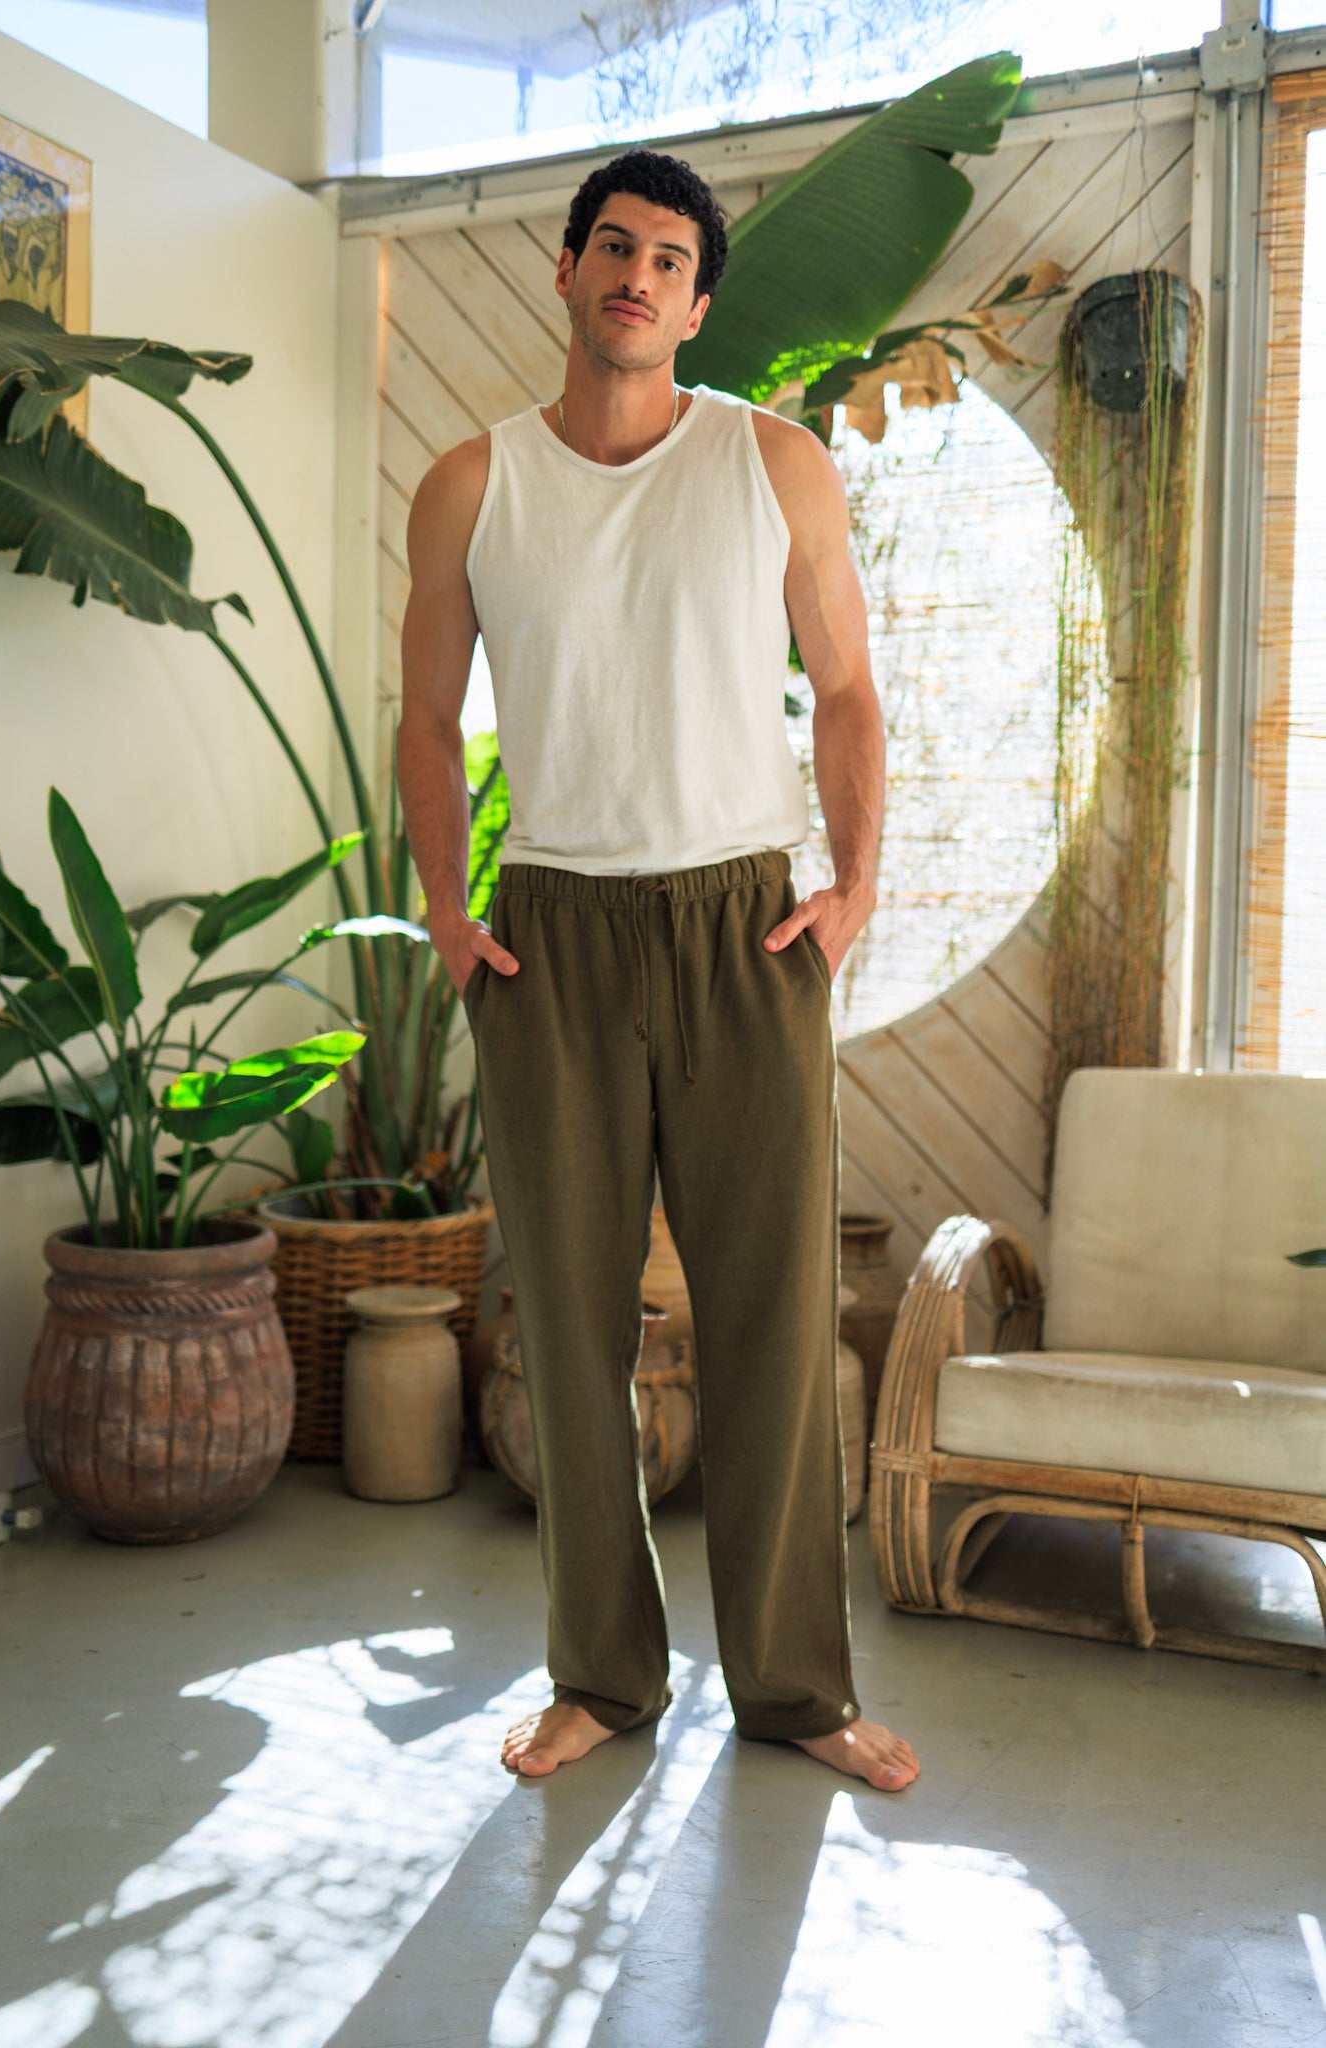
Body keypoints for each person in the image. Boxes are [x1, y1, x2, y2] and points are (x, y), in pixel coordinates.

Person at [398, 147, 919, 1794]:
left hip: (740, 926)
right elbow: (424, 717)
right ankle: (599, 1680)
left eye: (668, 258)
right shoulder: (470, 484)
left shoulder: (771, 465)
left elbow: (842, 690)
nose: (636, 274)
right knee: (565, 1327)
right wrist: (443, 903)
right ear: (566, 273)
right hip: (551, 927)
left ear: (697, 300)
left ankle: (793, 1692)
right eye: (610, 247)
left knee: (771, 1321)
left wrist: (851, 889)